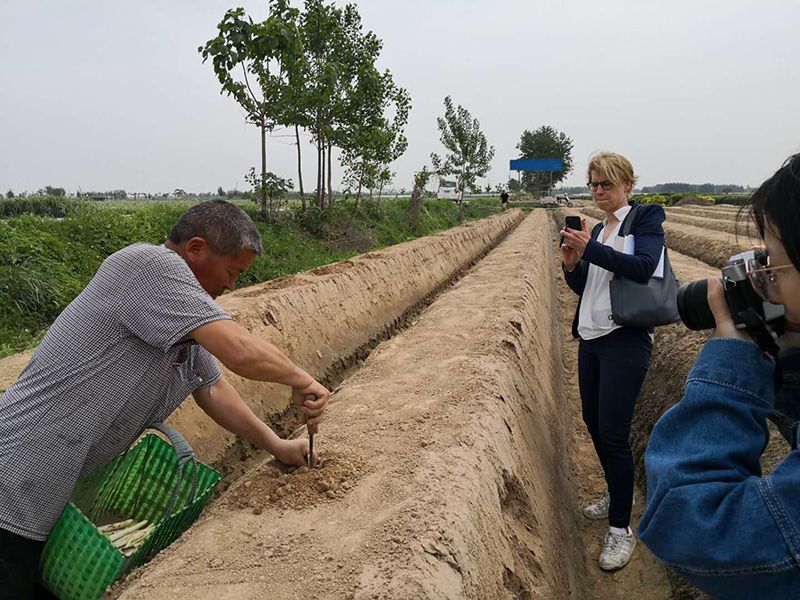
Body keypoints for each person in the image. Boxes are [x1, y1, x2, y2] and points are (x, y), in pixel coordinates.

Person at [0, 200, 330, 598]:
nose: (230, 286)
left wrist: (277, 445)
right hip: (19, 469)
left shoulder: (182, 321)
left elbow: (212, 388)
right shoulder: (149, 266)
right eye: (231, 272)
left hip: (57, 483)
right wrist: (300, 378)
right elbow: (239, 349)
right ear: (195, 249)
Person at [639, 154, 800, 597]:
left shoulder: (644, 221)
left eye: (774, 265)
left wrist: (735, 356)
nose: (765, 280)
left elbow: (690, 521)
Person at [560, 151, 665, 571]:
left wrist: (590, 248)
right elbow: (589, 284)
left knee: (615, 433)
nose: (599, 191)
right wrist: (572, 265)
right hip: (592, 338)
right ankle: (614, 491)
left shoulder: (644, 218)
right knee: (593, 423)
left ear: (626, 184)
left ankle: (621, 528)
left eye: (606, 184)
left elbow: (642, 268)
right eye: (593, 185)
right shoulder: (601, 229)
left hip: (626, 340)